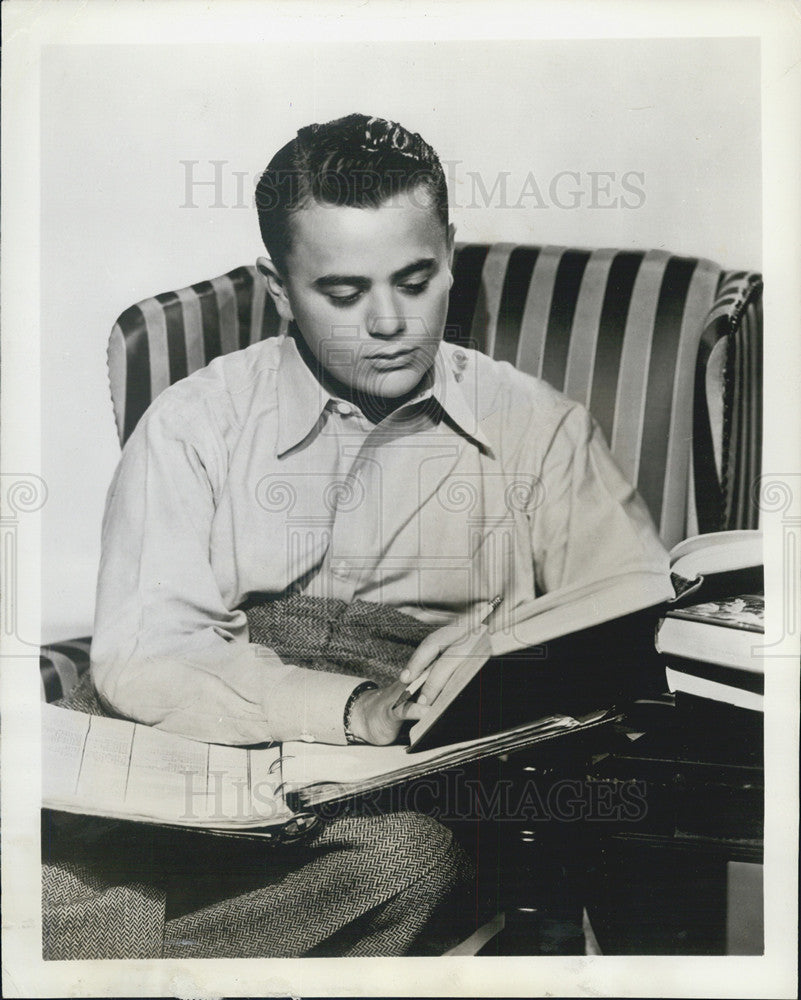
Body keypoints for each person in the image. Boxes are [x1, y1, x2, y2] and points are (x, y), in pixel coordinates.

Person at [49, 113, 671, 959]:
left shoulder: (541, 430)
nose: (389, 322)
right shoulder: (195, 422)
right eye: (342, 294)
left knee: (403, 862)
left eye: (415, 280)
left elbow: (635, 627)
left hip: (406, 789)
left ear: (450, 251)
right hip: (191, 738)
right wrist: (346, 711)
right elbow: (145, 653)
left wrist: (518, 642)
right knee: (59, 868)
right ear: (279, 290)